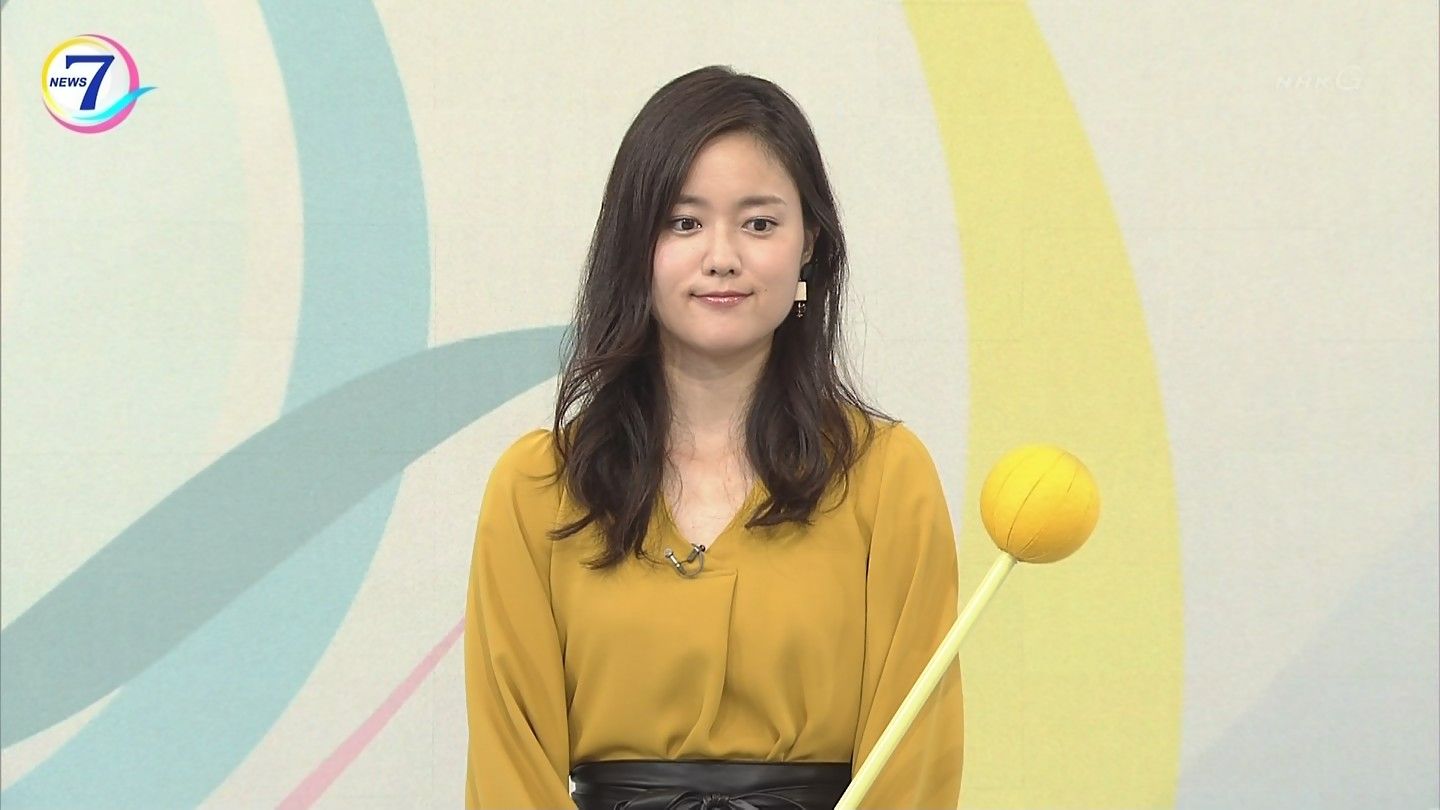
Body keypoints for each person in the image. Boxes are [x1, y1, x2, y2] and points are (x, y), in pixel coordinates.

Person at [464, 64, 964, 810]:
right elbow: (510, 766)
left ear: (809, 244)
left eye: (759, 223)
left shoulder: (887, 475)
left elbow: (915, 762)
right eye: (684, 223)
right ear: (634, 246)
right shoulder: (538, 486)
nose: (722, 256)